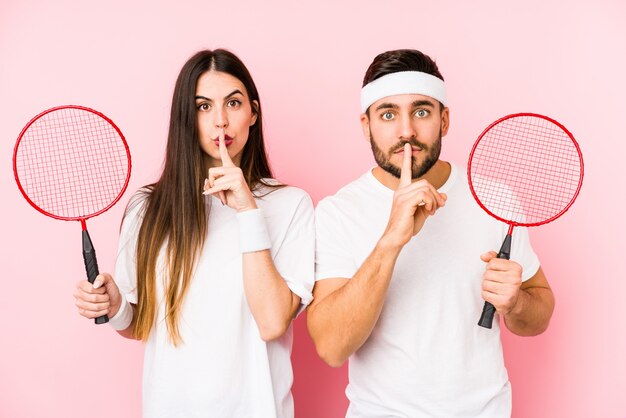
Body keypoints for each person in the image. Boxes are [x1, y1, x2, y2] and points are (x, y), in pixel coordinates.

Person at [307, 49, 555, 417]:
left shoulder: (494, 199)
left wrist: (516, 302)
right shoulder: (339, 212)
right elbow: (331, 347)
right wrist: (391, 240)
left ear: (444, 119)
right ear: (366, 125)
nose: (406, 131)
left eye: (421, 111)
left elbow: (540, 313)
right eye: (388, 114)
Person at [72, 49, 314, 418]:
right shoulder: (147, 207)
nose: (220, 121)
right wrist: (116, 305)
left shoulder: (290, 204)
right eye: (203, 106)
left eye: (233, 103)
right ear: (186, 117)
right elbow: (140, 325)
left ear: (253, 111)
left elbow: (272, 322)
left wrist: (249, 213)